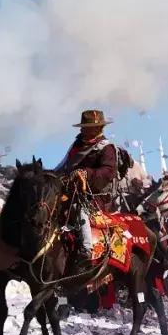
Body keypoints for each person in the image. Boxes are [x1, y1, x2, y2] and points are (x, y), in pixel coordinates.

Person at [54, 110, 120, 261]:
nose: (81, 129)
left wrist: (86, 173)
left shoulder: (106, 148)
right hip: (70, 191)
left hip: (95, 196)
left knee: (79, 208)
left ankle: (86, 247)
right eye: (82, 126)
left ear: (97, 129)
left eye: (85, 127)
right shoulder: (75, 146)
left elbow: (108, 172)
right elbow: (62, 167)